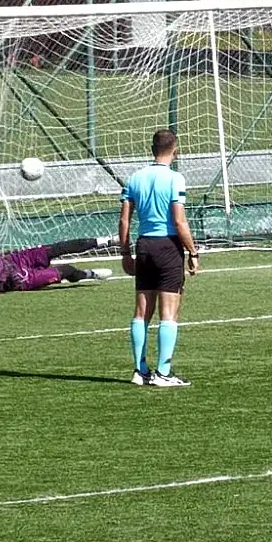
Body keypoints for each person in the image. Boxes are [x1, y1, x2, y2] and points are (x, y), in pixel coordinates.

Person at [119, 129, 200, 388]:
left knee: (141, 312)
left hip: (144, 245)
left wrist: (125, 253)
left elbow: (124, 220)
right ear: (175, 150)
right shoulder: (175, 178)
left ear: (152, 149)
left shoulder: (135, 178)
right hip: (167, 246)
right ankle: (164, 373)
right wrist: (193, 252)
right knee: (169, 312)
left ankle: (139, 370)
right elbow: (179, 220)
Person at [0, 182, 114, 294]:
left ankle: (107, 241)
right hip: (20, 278)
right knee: (66, 270)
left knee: (55, 249)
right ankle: (89, 274)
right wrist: (4, 286)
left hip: (14, 260)